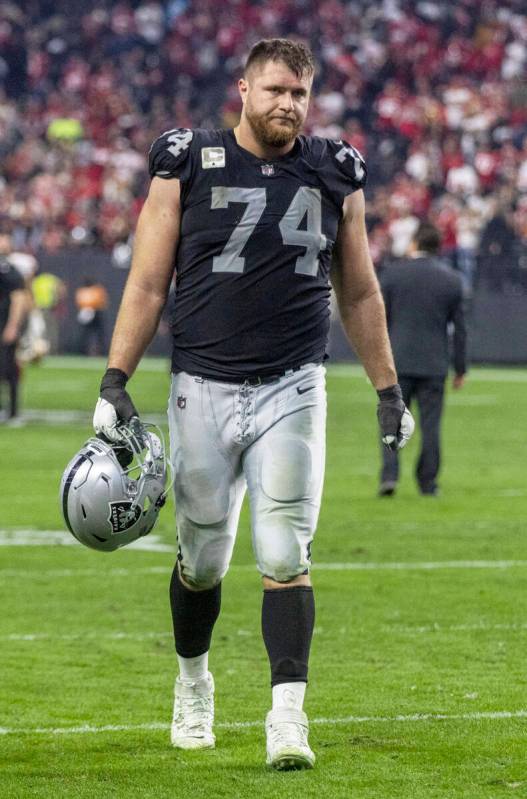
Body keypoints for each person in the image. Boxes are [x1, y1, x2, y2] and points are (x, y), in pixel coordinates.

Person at [93, 38, 414, 770]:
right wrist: (115, 377)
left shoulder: (334, 171)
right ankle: (193, 683)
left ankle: (287, 715)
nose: (287, 105)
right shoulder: (186, 161)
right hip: (200, 383)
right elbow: (146, 283)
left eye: (299, 94)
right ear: (242, 89)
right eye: (274, 90)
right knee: (202, 559)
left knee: (282, 550)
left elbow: (359, 290)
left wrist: (387, 387)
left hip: (292, 385)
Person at [379, 221, 467, 497]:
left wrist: (376, 362)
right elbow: (460, 330)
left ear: (415, 243)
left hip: (397, 362)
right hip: (434, 363)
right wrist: (460, 368)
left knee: (391, 421)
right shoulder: (452, 280)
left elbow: (381, 322)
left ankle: (389, 477)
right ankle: (427, 483)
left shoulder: (393, 275)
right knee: (431, 427)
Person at [0, 234, 30, 423]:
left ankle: (12, 410)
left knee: (8, 369)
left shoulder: (9, 270)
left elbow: (19, 300)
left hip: (4, 326)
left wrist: (12, 326)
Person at [75, 277, 109, 355]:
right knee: (86, 333)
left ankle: (101, 351)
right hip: (87, 312)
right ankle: (83, 350)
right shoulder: (86, 291)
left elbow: (102, 301)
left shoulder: (95, 290)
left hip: (95, 312)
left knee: (99, 333)